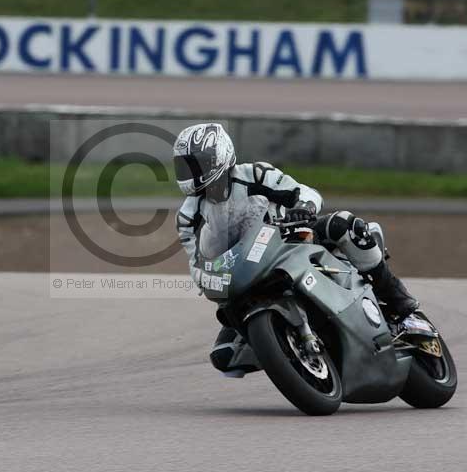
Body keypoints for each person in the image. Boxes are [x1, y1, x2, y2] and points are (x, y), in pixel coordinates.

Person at [173, 122, 419, 377]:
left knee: (344, 225)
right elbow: (196, 263)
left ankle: (397, 299)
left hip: (290, 240)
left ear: (219, 156)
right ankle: (284, 344)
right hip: (243, 273)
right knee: (225, 357)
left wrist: (303, 207)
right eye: (185, 166)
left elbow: (304, 192)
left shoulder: (254, 174)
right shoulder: (187, 217)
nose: (190, 172)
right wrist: (208, 278)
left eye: (195, 164)